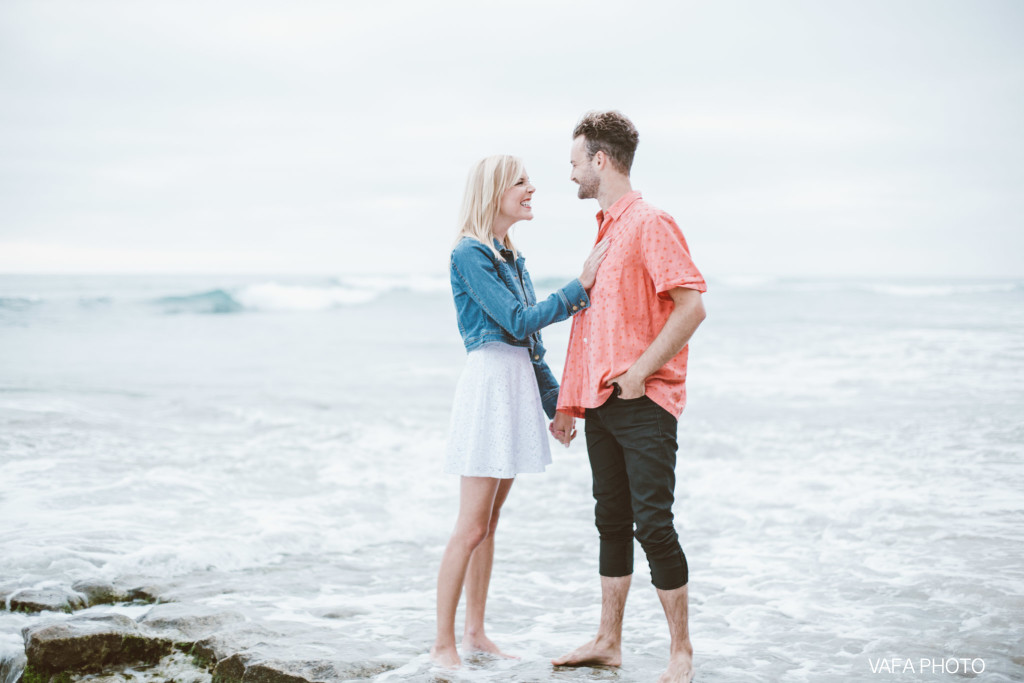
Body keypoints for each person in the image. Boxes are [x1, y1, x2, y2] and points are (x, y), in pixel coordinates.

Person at [430, 154, 609, 668]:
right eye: (521, 182)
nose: (533, 189)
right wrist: (579, 289)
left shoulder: (511, 255)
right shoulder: (469, 253)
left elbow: (530, 344)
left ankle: (476, 632)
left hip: (516, 387)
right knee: (470, 525)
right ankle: (443, 645)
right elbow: (514, 320)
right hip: (489, 389)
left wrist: (559, 405)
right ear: (494, 192)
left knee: (490, 523)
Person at [549, 111, 707, 683]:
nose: (569, 174)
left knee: (654, 525)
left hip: (643, 401)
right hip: (601, 403)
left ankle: (680, 653)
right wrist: (570, 402)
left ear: (600, 160)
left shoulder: (649, 223)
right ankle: (608, 642)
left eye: (573, 163)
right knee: (610, 522)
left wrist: (640, 373)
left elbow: (692, 307)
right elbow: (591, 326)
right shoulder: (606, 231)